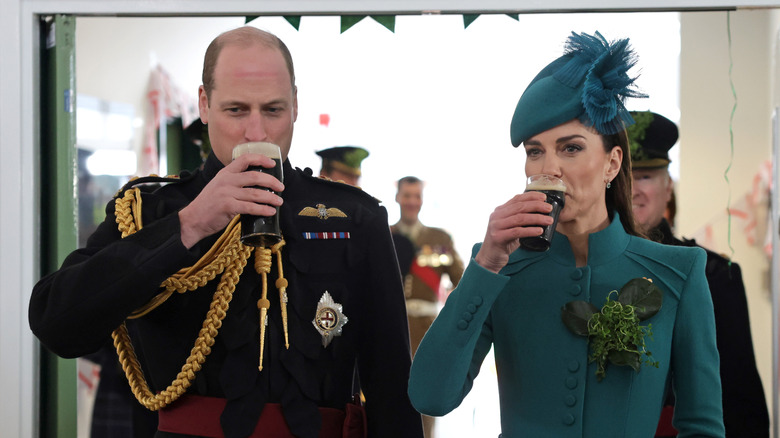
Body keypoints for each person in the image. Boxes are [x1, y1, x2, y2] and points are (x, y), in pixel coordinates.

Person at [29, 26, 423, 438]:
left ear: (295, 106)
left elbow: (392, 384)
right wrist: (189, 224)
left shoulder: (353, 217)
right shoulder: (148, 210)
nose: (256, 133)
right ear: (204, 103)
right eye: (236, 110)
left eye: (273, 110)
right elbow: (57, 325)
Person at [407, 31, 725, 437]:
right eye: (535, 151)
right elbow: (430, 397)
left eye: (571, 148)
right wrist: (485, 263)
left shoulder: (679, 272)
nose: (549, 167)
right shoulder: (499, 270)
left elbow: (703, 427)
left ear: (612, 164)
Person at [628, 110, 769, 438]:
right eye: (624, 177)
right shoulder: (585, 268)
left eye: (645, 175)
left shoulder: (715, 275)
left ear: (668, 188)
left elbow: (742, 405)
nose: (632, 190)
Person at [390, 176, 464, 438]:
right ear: (397, 197)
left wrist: (448, 322)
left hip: (426, 332)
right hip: (390, 330)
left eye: (416, 196)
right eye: (407, 195)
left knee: (425, 399)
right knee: (388, 397)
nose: (412, 201)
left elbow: (462, 283)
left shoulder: (439, 238)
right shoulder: (384, 236)